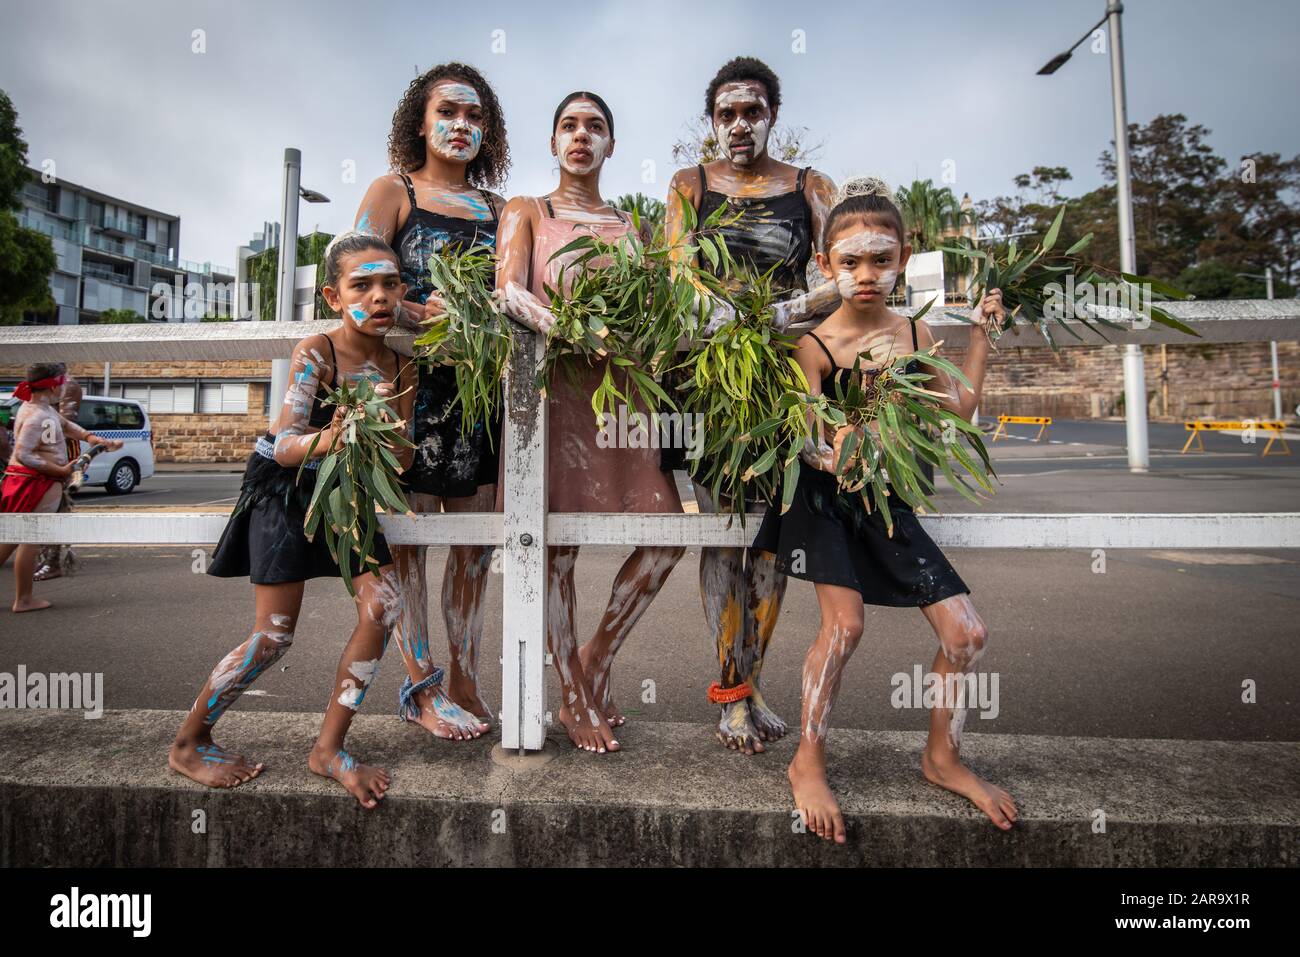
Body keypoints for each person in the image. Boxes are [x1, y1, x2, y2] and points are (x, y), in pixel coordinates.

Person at [751, 179, 1017, 842]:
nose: (866, 274)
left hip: (885, 497)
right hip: (823, 501)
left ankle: (942, 755)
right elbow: (806, 435)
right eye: (850, 262)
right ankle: (807, 758)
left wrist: (981, 337)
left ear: (902, 258)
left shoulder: (917, 331)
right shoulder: (811, 346)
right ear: (824, 264)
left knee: (967, 634)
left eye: (880, 259)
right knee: (844, 627)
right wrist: (834, 443)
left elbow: (956, 412)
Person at [168, 232, 422, 808]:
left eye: (389, 283)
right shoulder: (317, 353)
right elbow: (282, 442)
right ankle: (189, 741)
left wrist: (390, 429)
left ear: (403, 290)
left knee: (383, 606)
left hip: (348, 497)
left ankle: (328, 749)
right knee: (273, 637)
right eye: (362, 285)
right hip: (287, 493)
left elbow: (403, 464)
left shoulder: (404, 366)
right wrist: (334, 434)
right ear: (334, 296)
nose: (379, 296)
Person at [494, 91, 685, 753]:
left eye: (595, 127)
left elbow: (656, 305)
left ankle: (595, 656)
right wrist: (566, 326)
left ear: (611, 145)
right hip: (556, 395)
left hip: (624, 397)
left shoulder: (629, 224)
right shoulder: (528, 210)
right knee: (557, 548)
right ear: (553, 142)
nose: (582, 136)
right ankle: (571, 694)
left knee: (665, 534)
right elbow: (509, 289)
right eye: (569, 126)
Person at [662, 56, 839, 754]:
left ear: (772, 115)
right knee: (719, 532)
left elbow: (839, 271)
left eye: (753, 111)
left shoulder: (809, 186)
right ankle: (730, 693)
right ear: (712, 120)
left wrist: (782, 313)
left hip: (786, 377)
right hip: (712, 378)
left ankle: (749, 682)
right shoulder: (690, 184)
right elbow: (677, 269)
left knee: (770, 535)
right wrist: (725, 316)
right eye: (727, 113)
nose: (741, 124)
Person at [353, 62, 508, 738]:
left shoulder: (501, 211)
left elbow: (519, 294)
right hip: (405, 391)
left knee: (474, 546)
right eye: (448, 111)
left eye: (474, 117)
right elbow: (356, 281)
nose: (461, 125)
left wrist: (487, 308)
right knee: (409, 544)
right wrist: (421, 306)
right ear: (419, 120)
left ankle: (466, 676)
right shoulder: (393, 191)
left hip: (476, 395)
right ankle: (421, 688)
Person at [0, 364, 121, 612]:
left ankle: (24, 597)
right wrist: (61, 471)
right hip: (34, 483)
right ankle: (24, 599)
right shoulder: (39, 416)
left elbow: (65, 425)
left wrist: (91, 438)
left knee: (11, 538)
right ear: (54, 386)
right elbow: (24, 454)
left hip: (25, 482)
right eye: (64, 384)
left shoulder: (37, 409)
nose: (67, 388)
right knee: (29, 540)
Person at [33, 363, 84, 581]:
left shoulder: (67, 385)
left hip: (56, 450)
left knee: (54, 504)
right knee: (37, 505)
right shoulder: (45, 389)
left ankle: (51, 560)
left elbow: (66, 421)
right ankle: (45, 556)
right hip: (43, 450)